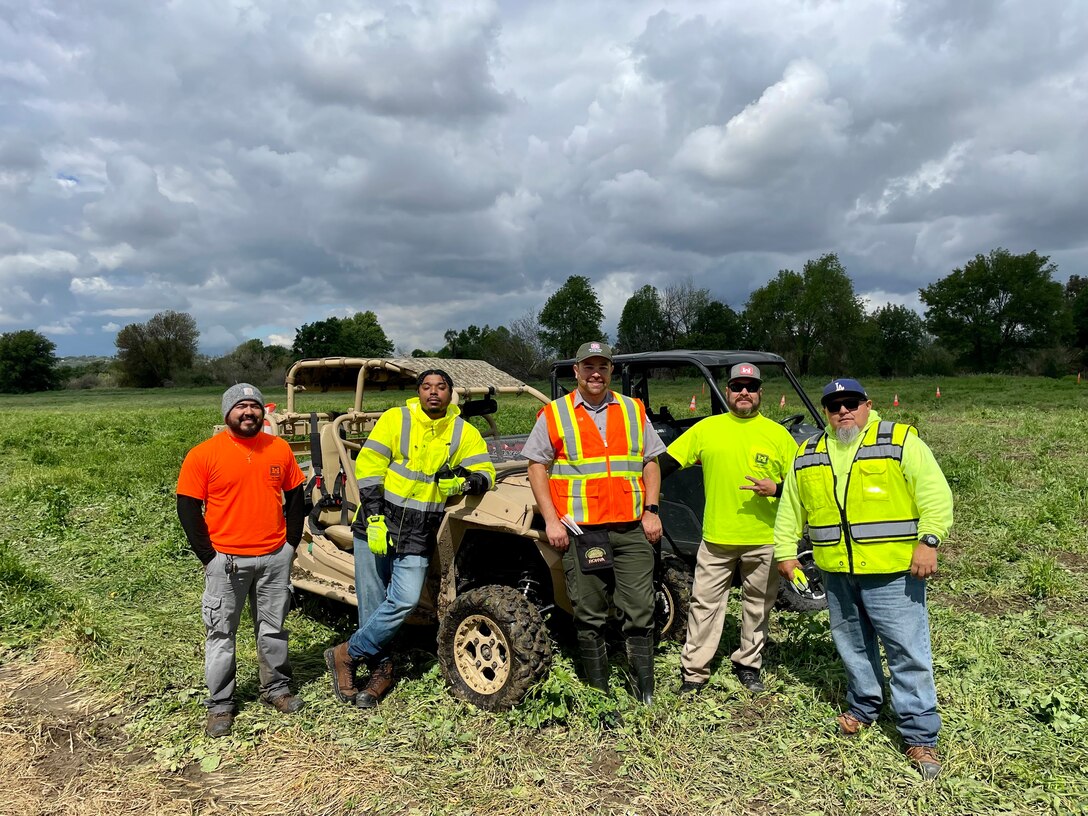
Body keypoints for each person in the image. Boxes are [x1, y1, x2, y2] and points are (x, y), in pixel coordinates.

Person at [774, 378, 953, 779]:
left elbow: (935, 493)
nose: (843, 411)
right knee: (853, 647)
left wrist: (929, 540)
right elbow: (791, 506)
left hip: (892, 572)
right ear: (825, 411)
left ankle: (920, 736)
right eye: (834, 405)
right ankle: (864, 707)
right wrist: (786, 552)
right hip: (836, 572)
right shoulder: (808, 452)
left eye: (851, 403)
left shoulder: (899, 440)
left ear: (868, 405)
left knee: (906, 651)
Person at [325, 369, 496, 709]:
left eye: (442, 387)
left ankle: (346, 653)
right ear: (419, 392)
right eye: (427, 387)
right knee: (373, 603)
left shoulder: (464, 431)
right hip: (378, 524)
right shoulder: (396, 419)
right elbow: (369, 467)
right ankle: (382, 670)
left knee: (403, 600)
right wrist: (373, 517)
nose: (434, 393)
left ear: (451, 394)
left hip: (419, 530)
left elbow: (486, 473)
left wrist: (464, 484)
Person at [524, 341, 666, 706]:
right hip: (583, 530)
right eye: (588, 366)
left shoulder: (633, 409)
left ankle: (643, 689)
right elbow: (536, 467)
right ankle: (599, 690)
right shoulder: (555, 413)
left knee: (640, 608)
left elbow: (651, 460)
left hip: (631, 528)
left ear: (611, 371)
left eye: (602, 366)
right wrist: (552, 521)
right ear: (576, 371)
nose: (595, 373)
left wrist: (651, 510)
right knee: (589, 613)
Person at [176, 384, 306, 738]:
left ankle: (276, 689)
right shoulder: (203, 454)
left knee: (273, 628)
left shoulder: (279, 449)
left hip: (273, 558)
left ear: (263, 412)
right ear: (227, 413)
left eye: (254, 406)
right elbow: (187, 508)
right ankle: (220, 705)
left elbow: (296, 498)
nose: (248, 412)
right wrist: (209, 556)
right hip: (227, 561)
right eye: (241, 406)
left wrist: (290, 544)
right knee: (221, 633)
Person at [659, 363, 797, 694]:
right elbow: (666, 461)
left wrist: (775, 488)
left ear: (761, 393)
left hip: (764, 540)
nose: (744, 392)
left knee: (757, 606)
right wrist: (639, 484)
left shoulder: (778, 435)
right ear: (727, 392)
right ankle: (694, 672)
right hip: (717, 539)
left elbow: (800, 484)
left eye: (751, 386)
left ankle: (748, 664)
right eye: (737, 386)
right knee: (705, 604)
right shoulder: (707, 429)